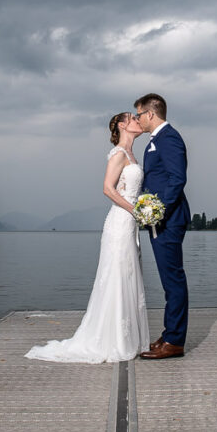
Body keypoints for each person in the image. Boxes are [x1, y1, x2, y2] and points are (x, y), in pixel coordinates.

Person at [24, 112, 150, 363]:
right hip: (120, 221)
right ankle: (111, 340)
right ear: (122, 125)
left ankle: (128, 338)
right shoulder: (118, 154)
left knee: (128, 274)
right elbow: (107, 188)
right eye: (133, 118)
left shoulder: (132, 154)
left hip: (130, 222)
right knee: (116, 274)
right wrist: (134, 210)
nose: (138, 120)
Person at [134, 93, 190, 360]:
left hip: (168, 219)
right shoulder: (156, 140)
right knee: (169, 282)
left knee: (173, 279)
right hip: (161, 220)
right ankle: (170, 334)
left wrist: (157, 212)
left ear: (151, 114)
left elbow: (177, 179)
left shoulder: (169, 138)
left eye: (139, 114)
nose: (138, 119)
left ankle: (175, 341)